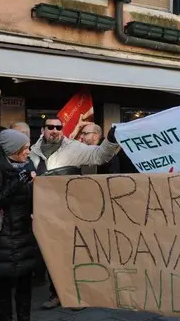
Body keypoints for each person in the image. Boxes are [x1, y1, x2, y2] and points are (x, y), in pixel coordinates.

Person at [29, 117, 119, 310]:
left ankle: (79, 295)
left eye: (58, 127)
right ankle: (57, 294)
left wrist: (111, 140)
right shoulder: (33, 152)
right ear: (43, 130)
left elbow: (100, 156)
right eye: (50, 127)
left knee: (74, 253)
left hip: (70, 210)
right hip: (44, 212)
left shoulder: (74, 148)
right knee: (52, 254)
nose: (55, 130)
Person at [0, 130, 38, 321]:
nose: (29, 151)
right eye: (25, 148)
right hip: (1, 241)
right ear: (13, 149)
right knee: (3, 295)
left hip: (25, 237)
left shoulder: (28, 165)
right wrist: (19, 181)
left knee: (25, 291)